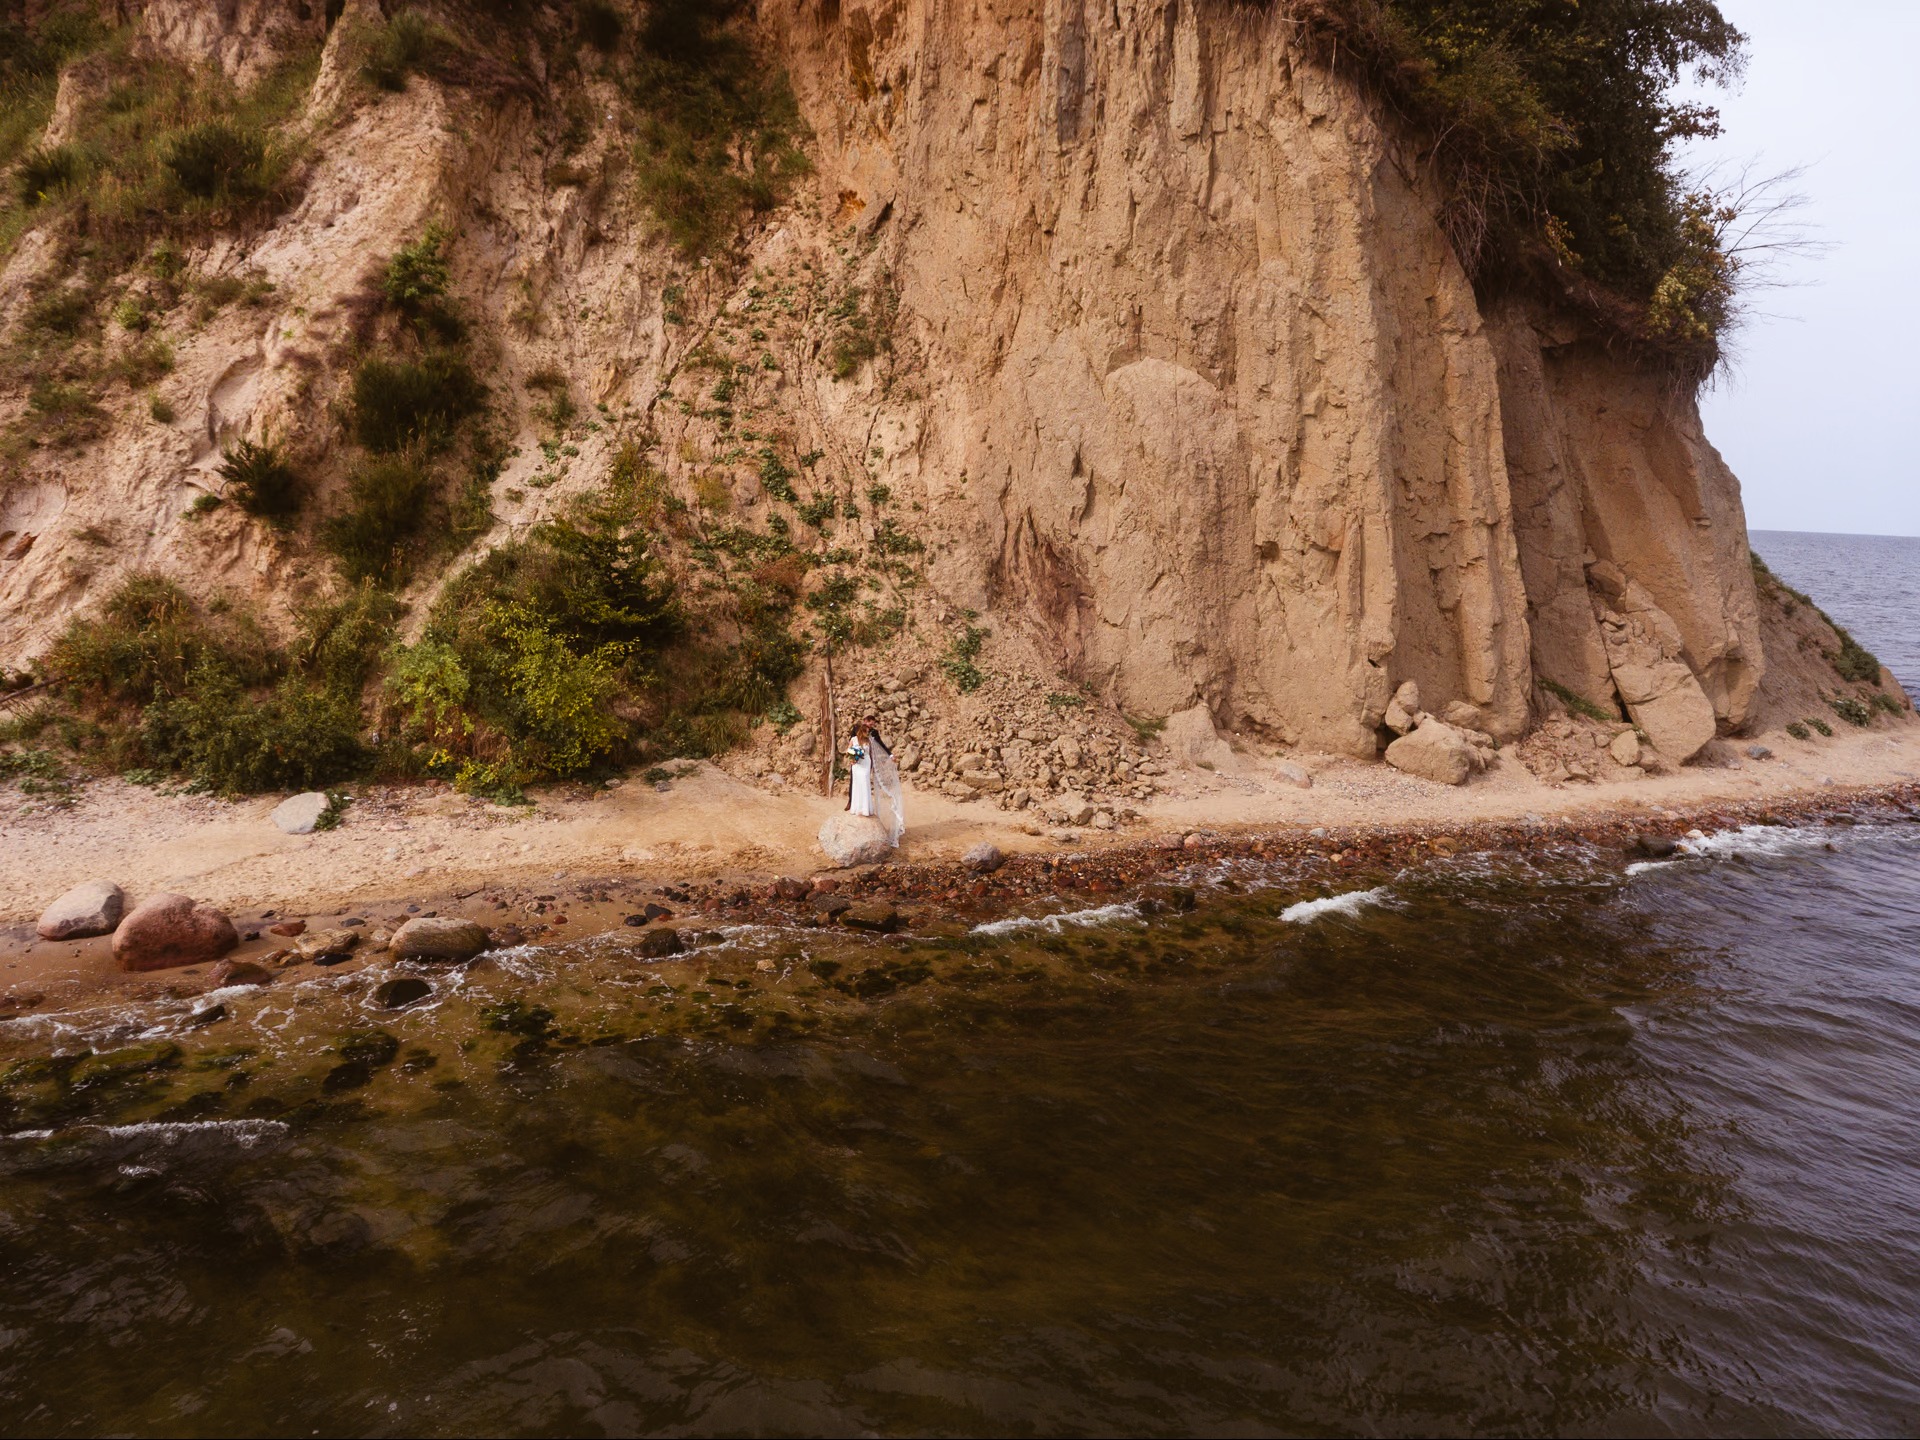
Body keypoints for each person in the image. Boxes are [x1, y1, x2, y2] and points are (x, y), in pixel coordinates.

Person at [844, 714, 906, 845]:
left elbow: (880, 744)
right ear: (865, 721)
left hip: (866, 761)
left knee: (864, 782)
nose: (871, 727)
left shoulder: (873, 734)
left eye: (872, 725)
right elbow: (851, 743)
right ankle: (852, 802)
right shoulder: (856, 729)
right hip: (856, 762)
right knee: (853, 782)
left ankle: (865, 806)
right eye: (870, 724)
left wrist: (890, 755)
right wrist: (853, 757)